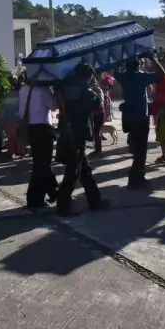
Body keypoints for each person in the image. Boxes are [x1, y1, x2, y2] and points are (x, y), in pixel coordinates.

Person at [54, 64, 107, 216]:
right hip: (77, 133)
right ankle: (63, 206)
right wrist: (95, 91)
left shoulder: (65, 86)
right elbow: (95, 103)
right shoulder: (85, 91)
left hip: (66, 130)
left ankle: (95, 201)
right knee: (73, 170)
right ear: (88, 76)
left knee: (84, 170)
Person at [115, 54, 163, 189]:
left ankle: (137, 175)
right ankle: (136, 177)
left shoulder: (123, 77)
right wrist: (154, 59)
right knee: (141, 149)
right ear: (138, 66)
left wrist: (120, 60)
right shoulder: (141, 77)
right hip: (140, 117)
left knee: (136, 148)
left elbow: (115, 71)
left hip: (128, 117)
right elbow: (162, 75)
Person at [20, 79, 59, 207]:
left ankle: (36, 198)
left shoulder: (23, 89)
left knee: (39, 164)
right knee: (44, 164)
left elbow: (21, 111)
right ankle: (54, 192)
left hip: (30, 128)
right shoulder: (44, 90)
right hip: (43, 128)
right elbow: (54, 106)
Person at [2, 74, 26, 160]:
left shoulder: (10, 92)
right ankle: (18, 152)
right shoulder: (20, 92)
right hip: (16, 116)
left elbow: (5, 105)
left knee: (13, 136)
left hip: (11, 116)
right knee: (18, 135)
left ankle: (13, 152)